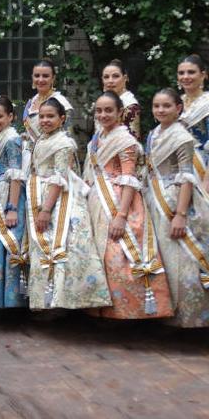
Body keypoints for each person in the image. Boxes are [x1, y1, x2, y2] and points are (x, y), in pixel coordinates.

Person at [85, 91, 173, 319]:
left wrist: (122, 215)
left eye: (108, 110)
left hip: (121, 201)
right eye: (99, 110)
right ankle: (101, 309)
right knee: (101, 254)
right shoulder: (98, 138)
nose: (103, 115)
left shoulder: (126, 141)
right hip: (98, 201)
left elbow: (130, 178)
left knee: (118, 255)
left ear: (120, 113)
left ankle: (127, 312)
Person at [26, 99, 110, 310]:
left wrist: (46, 210)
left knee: (64, 247)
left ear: (61, 119)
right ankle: (46, 302)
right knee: (42, 248)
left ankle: (64, 301)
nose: (45, 120)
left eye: (50, 116)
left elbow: (60, 177)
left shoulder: (64, 142)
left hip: (59, 199)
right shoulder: (42, 139)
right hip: (40, 193)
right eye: (42, 116)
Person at [144, 88, 209, 327]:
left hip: (175, 200)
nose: (161, 110)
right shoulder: (153, 134)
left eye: (166, 106)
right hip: (153, 198)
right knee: (160, 255)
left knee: (180, 258)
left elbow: (186, 177)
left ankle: (188, 316)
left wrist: (181, 215)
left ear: (178, 108)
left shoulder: (182, 137)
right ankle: (162, 311)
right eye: (156, 106)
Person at [0, 97, 28, 308]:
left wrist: (12, 208)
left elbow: (17, 175)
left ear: (10, 117)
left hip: (10, 196)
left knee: (7, 243)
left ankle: (11, 302)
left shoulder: (12, 138)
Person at [22, 60, 73, 172]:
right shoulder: (31, 102)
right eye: (37, 76)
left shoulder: (61, 103)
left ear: (53, 78)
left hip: (54, 160)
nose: (40, 80)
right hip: (32, 159)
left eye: (45, 76)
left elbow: (68, 138)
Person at [177, 54, 209, 188]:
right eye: (181, 73)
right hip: (178, 169)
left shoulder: (207, 103)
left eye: (191, 72)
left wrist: (206, 183)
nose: (185, 77)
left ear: (203, 75)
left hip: (202, 168)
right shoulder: (175, 102)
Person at [101, 59, 140, 139]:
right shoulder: (102, 101)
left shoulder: (130, 105)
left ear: (125, 78)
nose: (110, 81)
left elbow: (132, 141)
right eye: (106, 77)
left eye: (115, 76)